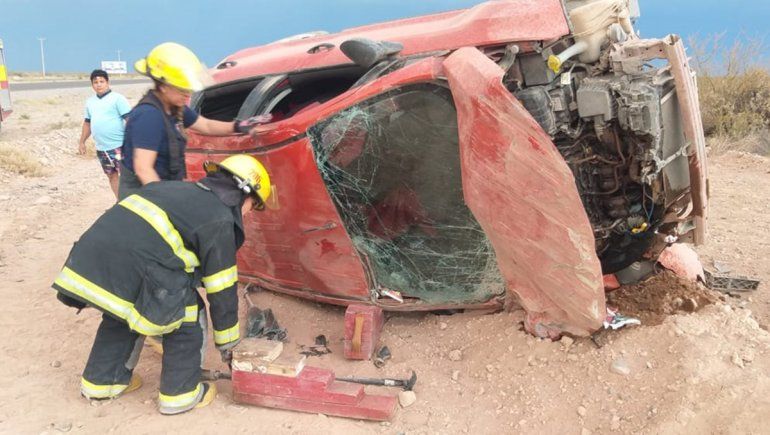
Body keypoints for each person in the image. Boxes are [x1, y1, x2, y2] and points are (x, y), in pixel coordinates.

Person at [52, 154, 272, 415]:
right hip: (133, 267)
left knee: (123, 312)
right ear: (244, 196)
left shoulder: (168, 187)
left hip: (90, 263)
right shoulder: (219, 218)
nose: (248, 214)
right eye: (252, 206)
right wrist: (228, 345)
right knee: (188, 314)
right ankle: (180, 394)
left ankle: (102, 384)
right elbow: (221, 288)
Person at [119, 42, 266, 199]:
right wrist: (167, 204)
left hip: (163, 185)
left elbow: (206, 125)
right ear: (163, 86)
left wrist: (238, 126)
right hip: (143, 194)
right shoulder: (148, 116)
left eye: (189, 89)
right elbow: (143, 169)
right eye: (182, 89)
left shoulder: (175, 108)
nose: (187, 95)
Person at [78, 69, 131, 198]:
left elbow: (130, 120)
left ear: (107, 82)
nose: (99, 84)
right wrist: (82, 142)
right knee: (111, 176)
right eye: (95, 82)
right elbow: (87, 123)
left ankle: (135, 206)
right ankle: (121, 203)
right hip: (102, 149)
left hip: (120, 147)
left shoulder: (117, 99)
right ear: (92, 85)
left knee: (128, 179)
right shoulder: (90, 102)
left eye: (102, 81)